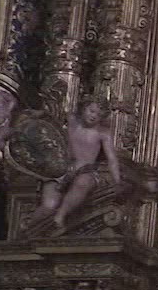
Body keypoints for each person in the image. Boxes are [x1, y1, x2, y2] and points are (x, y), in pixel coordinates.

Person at [32, 98, 121, 234]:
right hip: (61, 168)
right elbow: (52, 115)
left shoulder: (103, 133)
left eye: (98, 115)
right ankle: (28, 228)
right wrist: (40, 113)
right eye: (91, 111)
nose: (94, 116)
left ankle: (60, 215)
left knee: (82, 183)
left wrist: (117, 181)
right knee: (48, 206)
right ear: (84, 108)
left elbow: (112, 159)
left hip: (85, 170)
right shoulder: (71, 120)